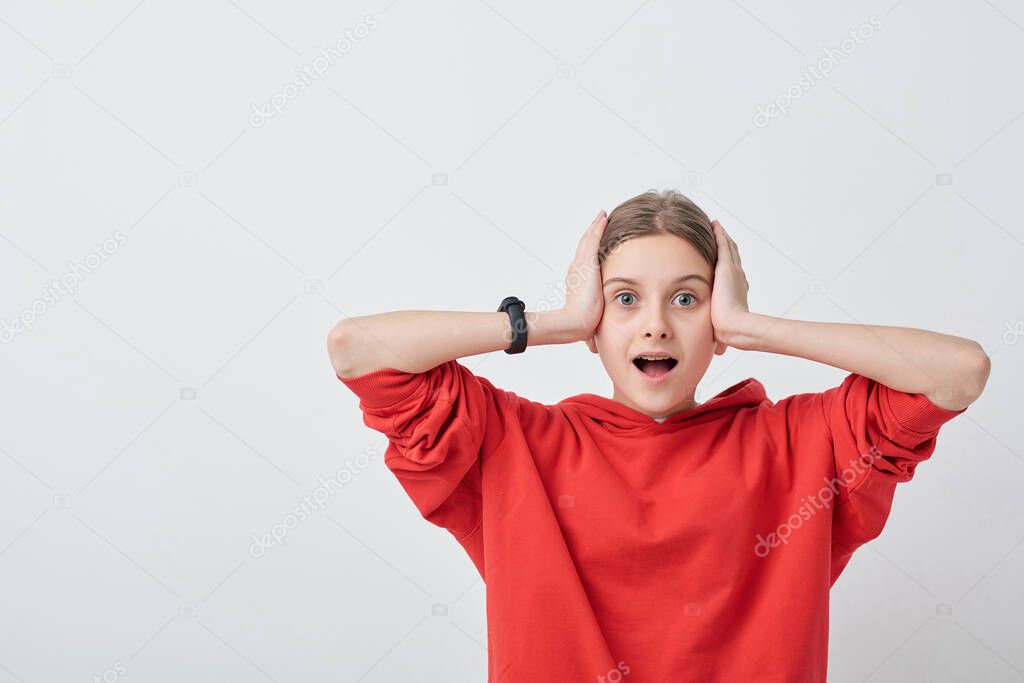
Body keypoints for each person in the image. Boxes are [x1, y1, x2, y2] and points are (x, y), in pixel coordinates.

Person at [326, 189, 990, 682]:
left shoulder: (800, 444)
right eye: (624, 299)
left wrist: (755, 327)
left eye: (686, 298)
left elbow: (959, 372)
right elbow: (356, 348)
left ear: (718, 317)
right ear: (596, 322)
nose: (655, 327)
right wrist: (553, 321)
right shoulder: (516, 444)